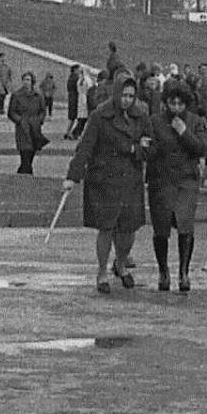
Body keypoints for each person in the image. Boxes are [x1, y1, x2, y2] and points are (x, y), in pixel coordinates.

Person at [64, 74, 154, 293]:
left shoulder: (141, 117)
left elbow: (152, 147)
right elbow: (85, 147)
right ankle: (102, 271)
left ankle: (121, 264)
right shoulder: (99, 116)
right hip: (104, 180)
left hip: (130, 179)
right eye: (123, 95)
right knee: (106, 227)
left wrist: (137, 149)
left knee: (129, 228)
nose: (127, 100)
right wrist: (72, 176)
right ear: (116, 94)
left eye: (131, 96)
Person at [147, 84, 207, 291]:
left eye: (180, 103)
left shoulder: (196, 121)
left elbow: (203, 148)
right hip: (162, 181)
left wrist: (184, 132)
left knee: (185, 225)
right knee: (161, 228)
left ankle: (184, 271)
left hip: (186, 181)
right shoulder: (155, 121)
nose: (175, 107)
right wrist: (148, 145)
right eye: (172, 102)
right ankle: (163, 271)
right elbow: (151, 149)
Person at [7, 71, 48, 175]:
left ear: (32, 82)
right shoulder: (16, 95)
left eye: (28, 80)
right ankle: (28, 174)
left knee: (32, 152)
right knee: (24, 151)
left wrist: (39, 120)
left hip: (34, 127)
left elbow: (43, 111)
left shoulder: (38, 95)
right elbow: (11, 112)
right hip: (23, 127)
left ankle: (22, 173)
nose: (26, 82)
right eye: (24, 80)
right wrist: (19, 120)